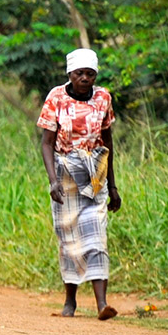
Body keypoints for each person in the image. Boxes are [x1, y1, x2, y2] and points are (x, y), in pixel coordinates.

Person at [37, 48, 121, 320]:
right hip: (65, 173)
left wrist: (113, 186)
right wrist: (52, 181)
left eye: (90, 74)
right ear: (69, 75)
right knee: (69, 237)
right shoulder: (56, 98)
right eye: (79, 74)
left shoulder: (103, 98)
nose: (85, 78)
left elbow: (107, 142)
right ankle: (70, 300)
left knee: (97, 235)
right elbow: (47, 144)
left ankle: (101, 304)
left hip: (95, 173)